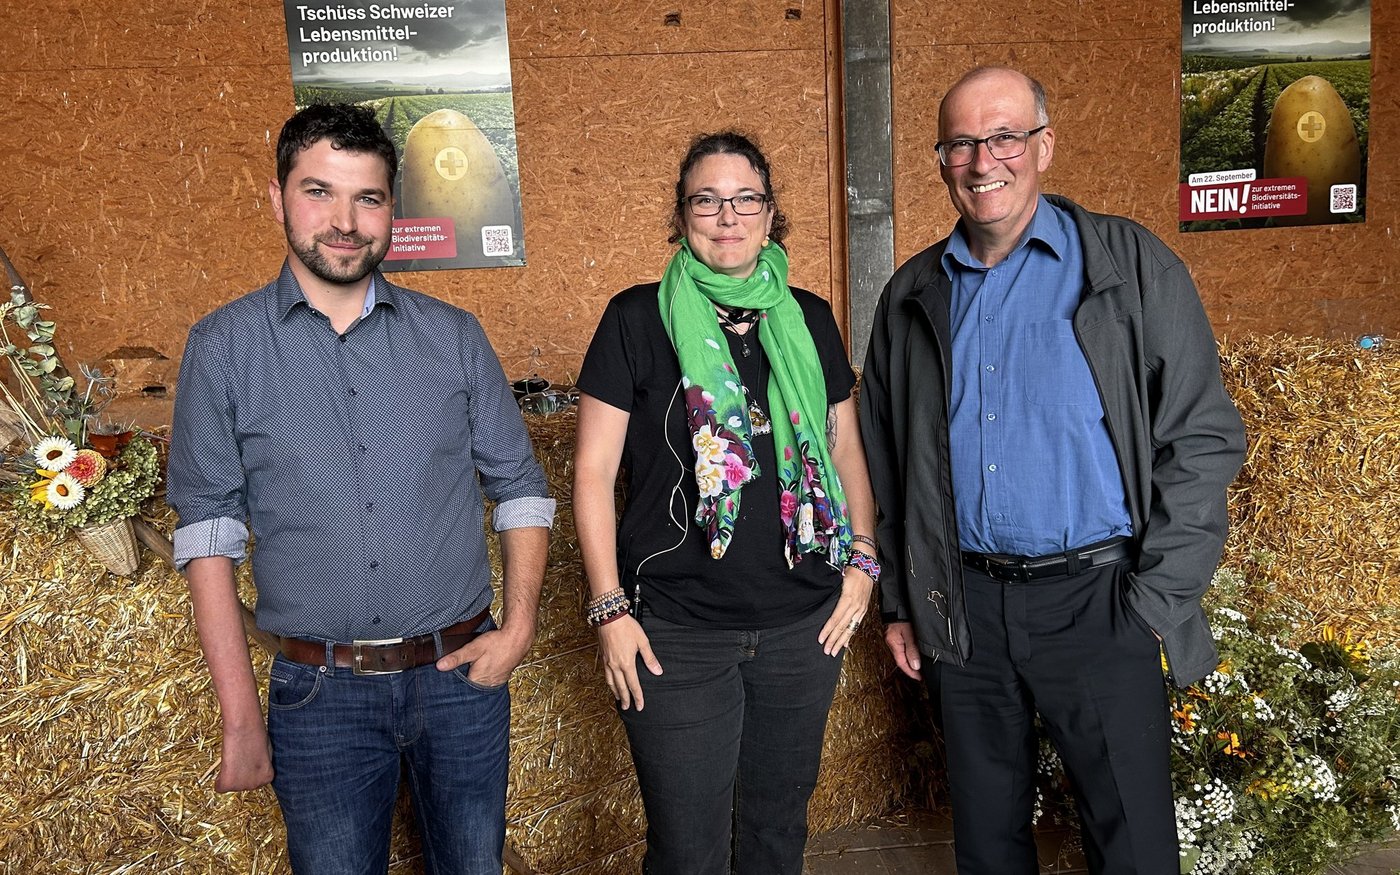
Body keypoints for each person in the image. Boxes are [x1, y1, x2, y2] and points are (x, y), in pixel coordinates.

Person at [859, 67, 1246, 874]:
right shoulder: (910, 295)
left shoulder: (1129, 266)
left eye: (1004, 136)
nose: (982, 161)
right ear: (940, 161)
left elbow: (1203, 436)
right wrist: (902, 599)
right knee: (988, 844)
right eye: (961, 143)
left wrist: (1155, 601)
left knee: (1133, 846)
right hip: (965, 610)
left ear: (1044, 146)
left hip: (1101, 599)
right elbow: (886, 466)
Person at [167, 103, 554, 873]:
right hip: (319, 697)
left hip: (461, 680)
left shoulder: (454, 337)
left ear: (391, 210)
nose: (344, 222)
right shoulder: (223, 348)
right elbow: (207, 533)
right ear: (277, 198)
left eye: (367, 198)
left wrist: (518, 629)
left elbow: (521, 488)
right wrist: (240, 717)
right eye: (319, 192)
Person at [572, 131, 879, 874]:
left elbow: (844, 450)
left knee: (776, 836)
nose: (728, 216)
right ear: (681, 217)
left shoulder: (809, 317)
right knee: (687, 851)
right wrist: (610, 609)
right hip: (677, 631)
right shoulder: (636, 318)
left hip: (802, 626)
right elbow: (592, 471)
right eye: (706, 200)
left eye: (746, 199)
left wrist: (864, 561)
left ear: (771, 215)